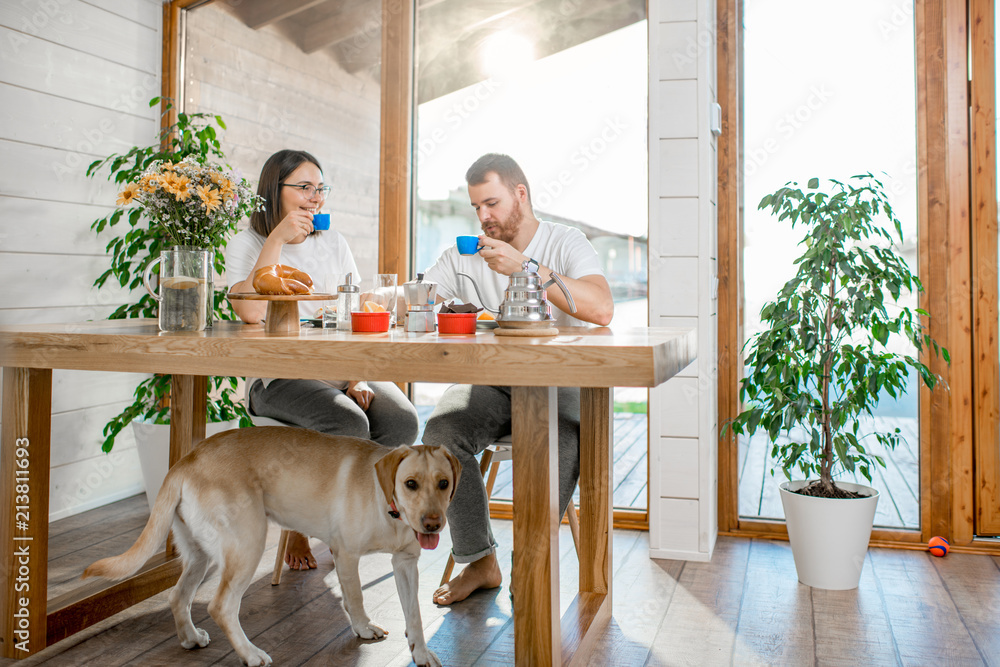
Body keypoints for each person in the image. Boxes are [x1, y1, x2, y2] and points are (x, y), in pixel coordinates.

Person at [421, 153, 614, 605]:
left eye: (491, 203)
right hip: (491, 384)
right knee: (441, 436)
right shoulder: (464, 255)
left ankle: (527, 570)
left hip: (561, 386)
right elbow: (421, 300)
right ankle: (479, 560)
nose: (484, 217)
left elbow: (602, 308)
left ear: (520, 194)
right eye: (476, 208)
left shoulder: (565, 241)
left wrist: (525, 267)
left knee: (549, 461)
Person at [226, 149, 419, 570]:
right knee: (347, 423)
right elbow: (251, 312)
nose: (315, 198)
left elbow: (352, 313)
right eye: (304, 188)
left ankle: (353, 519)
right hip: (278, 380)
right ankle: (301, 524)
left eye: (320, 188)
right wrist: (277, 239)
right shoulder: (249, 242)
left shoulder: (333, 241)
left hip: (336, 371)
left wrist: (357, 375)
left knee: (402, 420)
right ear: (274, 191)